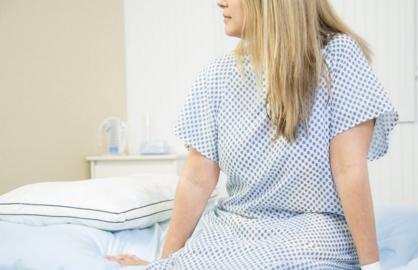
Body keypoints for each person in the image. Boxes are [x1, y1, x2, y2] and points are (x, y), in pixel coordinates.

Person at [106, 0, 399, 269]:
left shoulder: (339, 57)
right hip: (234, 229)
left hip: (313, 231)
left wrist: (371, 266)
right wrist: (164, 263)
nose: (219, 1)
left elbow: (349, 170)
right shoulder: (218, 74)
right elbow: (196, 180)